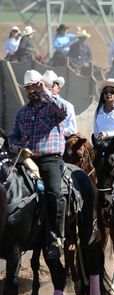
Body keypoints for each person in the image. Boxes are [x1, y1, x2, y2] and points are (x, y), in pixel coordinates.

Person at [9, 70, 68, 260]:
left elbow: (63, 111)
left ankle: (56, 237)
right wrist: (16, 145)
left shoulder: (52, 106)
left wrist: (46, 93)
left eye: (34, 85)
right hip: (27, 159)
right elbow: (13, 136)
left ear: (41, 85)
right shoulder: (22, 112)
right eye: (28, 87)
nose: (32, 90)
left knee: (53, 192)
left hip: (50, 158)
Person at [42, 70, 77, 137]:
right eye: (45, 85)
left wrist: (53, 131)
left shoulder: (67, 106)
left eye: (51, 85)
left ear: (58, 89)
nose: (48, 88)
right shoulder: (38, 105)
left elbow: (72, 130)